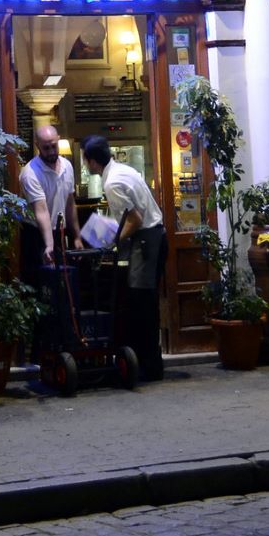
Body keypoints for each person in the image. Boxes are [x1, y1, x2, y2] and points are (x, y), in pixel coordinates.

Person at [82, 136, 167, 382]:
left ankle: (148, 366)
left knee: (142, 303)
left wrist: (112, 241)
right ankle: (149, 363)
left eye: (86, 161)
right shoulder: (123, 170)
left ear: (92, 161)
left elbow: (136, 218)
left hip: (146, 240)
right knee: (145, 303)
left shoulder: (112, 182)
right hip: (154, 237)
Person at [19, 124, 82, 285]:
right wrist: (49, 245)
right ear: (37, 145)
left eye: (54, 146)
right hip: (35, 233)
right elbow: (41, 211)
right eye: (46, 148)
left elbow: (70, 203)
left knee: (63, 282)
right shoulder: (30, 173)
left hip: (58, 231)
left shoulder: (67, 166)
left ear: (58, 140)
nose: (51, 152)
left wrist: (76, 236)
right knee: (40, 283)